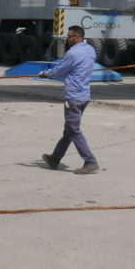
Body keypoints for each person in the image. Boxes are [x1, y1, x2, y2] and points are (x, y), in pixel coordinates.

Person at [38, 25, 101, 174]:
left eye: (70, 36)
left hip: (73, 97)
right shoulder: (90, 50)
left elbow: (60, 70)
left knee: (73, 130)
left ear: (78, 37)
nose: (67, 38)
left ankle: (90, 161)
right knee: (69, 130)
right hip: (84, 96)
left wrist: (45, 74)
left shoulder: (73, 53)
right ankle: (55, 158)